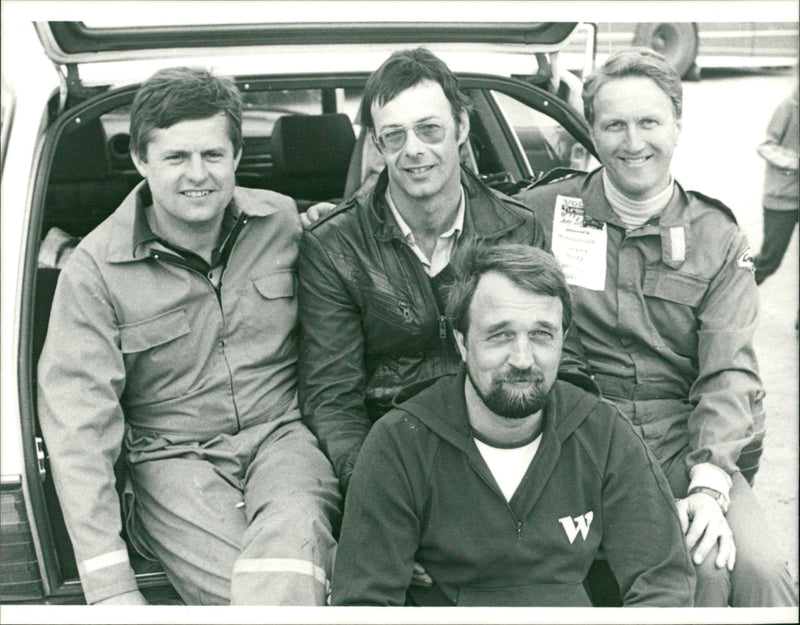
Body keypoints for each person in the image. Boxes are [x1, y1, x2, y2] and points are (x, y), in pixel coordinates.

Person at [37, 67, 341, 606]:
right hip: (171, 458)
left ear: (236, 157)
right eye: (176, 157)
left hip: (283, 438)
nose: (196, 174)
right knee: (273, 588)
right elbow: (78, 429)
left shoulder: (284, 223)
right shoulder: (94, 271)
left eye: (212, 155)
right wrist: (109, 587)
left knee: (294, 540)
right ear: (140, 161)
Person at [516, 48, 796, 607]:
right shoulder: (538, 215)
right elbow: (453, 219)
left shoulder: (717, 237)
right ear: (589, 134)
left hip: (685, 441)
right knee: (704, 572)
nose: (633, 141)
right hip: (584, 439)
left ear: (677, 127)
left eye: (649, 122)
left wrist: (711, 485)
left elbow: (729, 373)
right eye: (614, 124)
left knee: (761, 573)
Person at [330, 243, 695, 606]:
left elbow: (663, 582)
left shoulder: (603, 431)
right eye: (500, 335)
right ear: (462, 342)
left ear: (563, 341)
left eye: (541, 335)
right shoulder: (400, 442)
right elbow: (365, 605)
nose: (522, 359)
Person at [298, 47, 550, 495]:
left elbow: (551, 360)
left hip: (500, 442)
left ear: (462, 128)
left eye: (429, 129)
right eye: (394, 136)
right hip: (392, 451)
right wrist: (372, 487)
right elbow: (332, 398)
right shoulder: (333, 244)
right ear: (376, 145)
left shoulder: (517, 228)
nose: (414, 150)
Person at [753, 84, 799, 286]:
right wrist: (794, 161)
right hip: (783, 198)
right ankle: (724, 292)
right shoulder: (789, 107)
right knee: (768, 260)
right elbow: (766, 146)